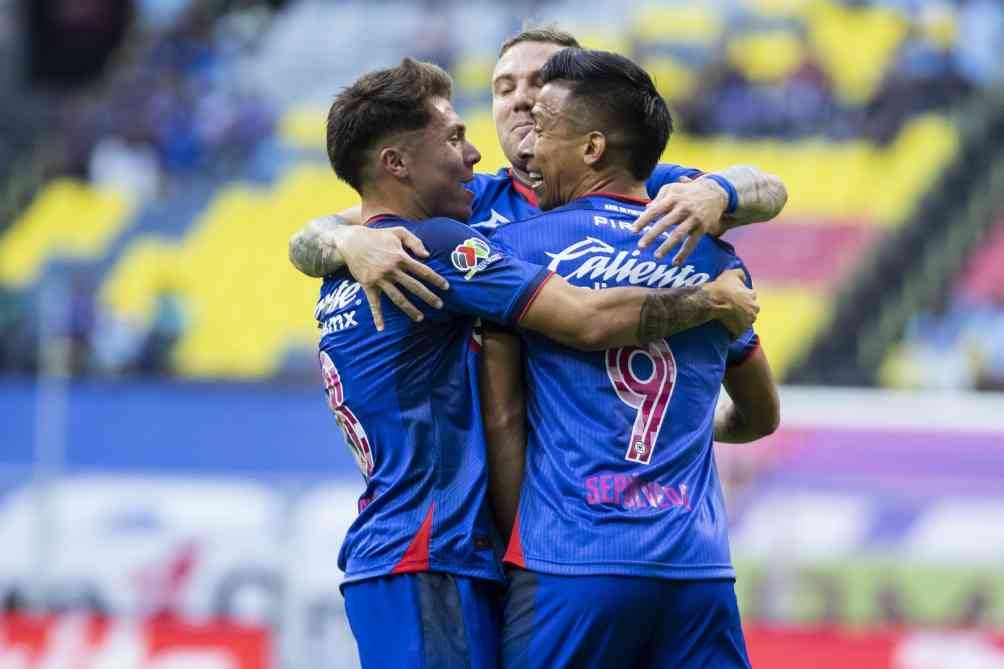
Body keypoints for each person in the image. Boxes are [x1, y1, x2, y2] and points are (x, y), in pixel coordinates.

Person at [317, 57, 759, 669]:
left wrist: (338, 238)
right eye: (453, 137)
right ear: (396, 163)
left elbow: (764, 188)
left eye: (539, 106)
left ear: (590, 140)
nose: (476, 153)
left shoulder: (352, 265)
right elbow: (584, 320)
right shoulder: (442, 244)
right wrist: (710, 301)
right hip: (436, 553)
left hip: (414, 549)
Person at [479, 48, 781, 668]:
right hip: (696, 571)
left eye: (544, 123)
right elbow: (761, 415)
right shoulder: (715, 257)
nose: (530, 142)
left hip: (571, 561)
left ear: (592, 148)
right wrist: (698, 431)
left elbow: (505, 418)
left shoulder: (511, 248)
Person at [287, 28, 787, 328]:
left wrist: (717, 191)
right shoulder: (462, 201)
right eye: (504, 87)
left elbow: (770, 190)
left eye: (540, 81)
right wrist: (349, 241)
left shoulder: (650, 187)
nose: (522, 98)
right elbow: (305, 240)